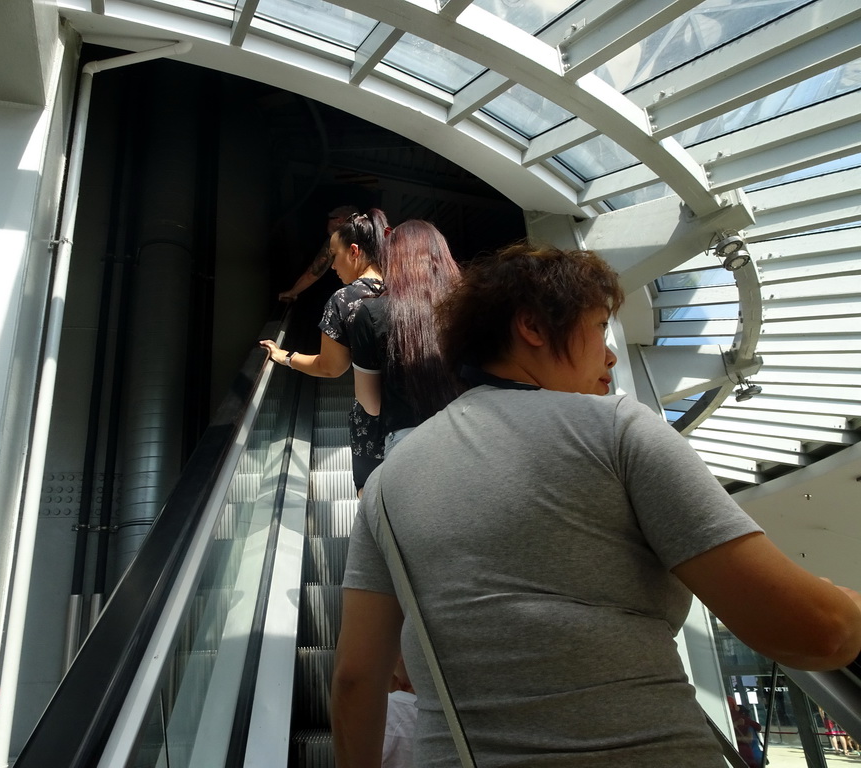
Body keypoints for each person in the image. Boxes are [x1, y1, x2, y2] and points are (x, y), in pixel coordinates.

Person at [331, 242, 861, 767]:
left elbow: (357, 682)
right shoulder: (615, 430)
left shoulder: (385, 484)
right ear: (533, 328)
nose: (609, 355)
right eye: (599, 328)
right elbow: (816, 633)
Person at [260, 209, 389, 491]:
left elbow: (331, 367)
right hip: (421, 418)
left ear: (353, 251)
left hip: (376, 426)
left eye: (334, 255)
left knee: (373, 502)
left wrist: (286, 357)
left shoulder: (344, 300)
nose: (332, 265)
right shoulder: (404, 289)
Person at [350, 220, 461, 456]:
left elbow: (370, 403)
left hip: (407, 445)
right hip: (471, 432)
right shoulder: (470, 306)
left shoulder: (371, 313)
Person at [278, 205, 359, 302]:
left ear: (339, 220)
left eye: (329, 218)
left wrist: (292, 293)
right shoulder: (366, 232)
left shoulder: (338, 239)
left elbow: (314, 272)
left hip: (358, 293)